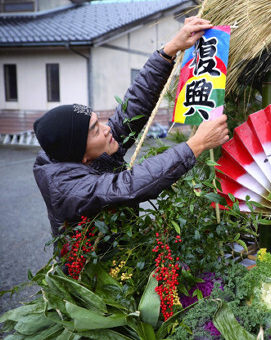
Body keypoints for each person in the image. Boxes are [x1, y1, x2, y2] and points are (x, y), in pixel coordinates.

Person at [33, 17, 229, 244]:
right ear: (82, 156)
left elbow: (129, 113)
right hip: (94, 272)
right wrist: (196, 144)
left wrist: (169, 51)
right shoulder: (69, 187)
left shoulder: (79, 151)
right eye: (95, 131)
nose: (107, 130)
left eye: (99, 122)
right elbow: (127, 185)